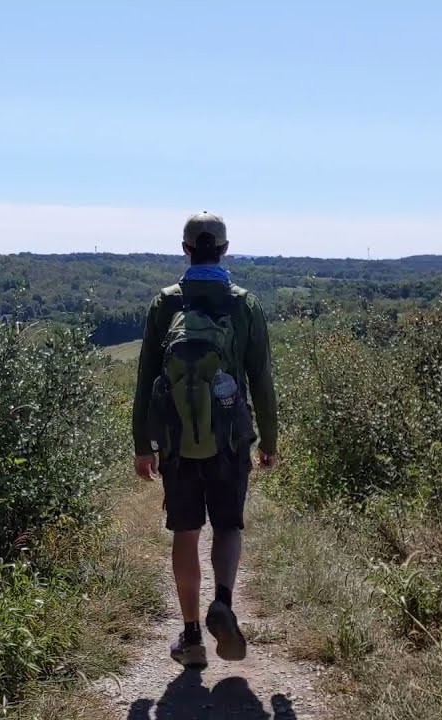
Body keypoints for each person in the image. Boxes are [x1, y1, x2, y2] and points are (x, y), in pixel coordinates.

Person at [131, 210, 279, 668]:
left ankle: (192, 636)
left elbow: (145, 379)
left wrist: (142, 444)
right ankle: (225, 603)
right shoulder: (244, 303)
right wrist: (269, 439)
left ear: (186, 249)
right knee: (229, 524)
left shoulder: (165, 304)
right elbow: (262, 378)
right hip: (231, 438)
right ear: (226, 250)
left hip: (176, 441)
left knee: (185, 531)